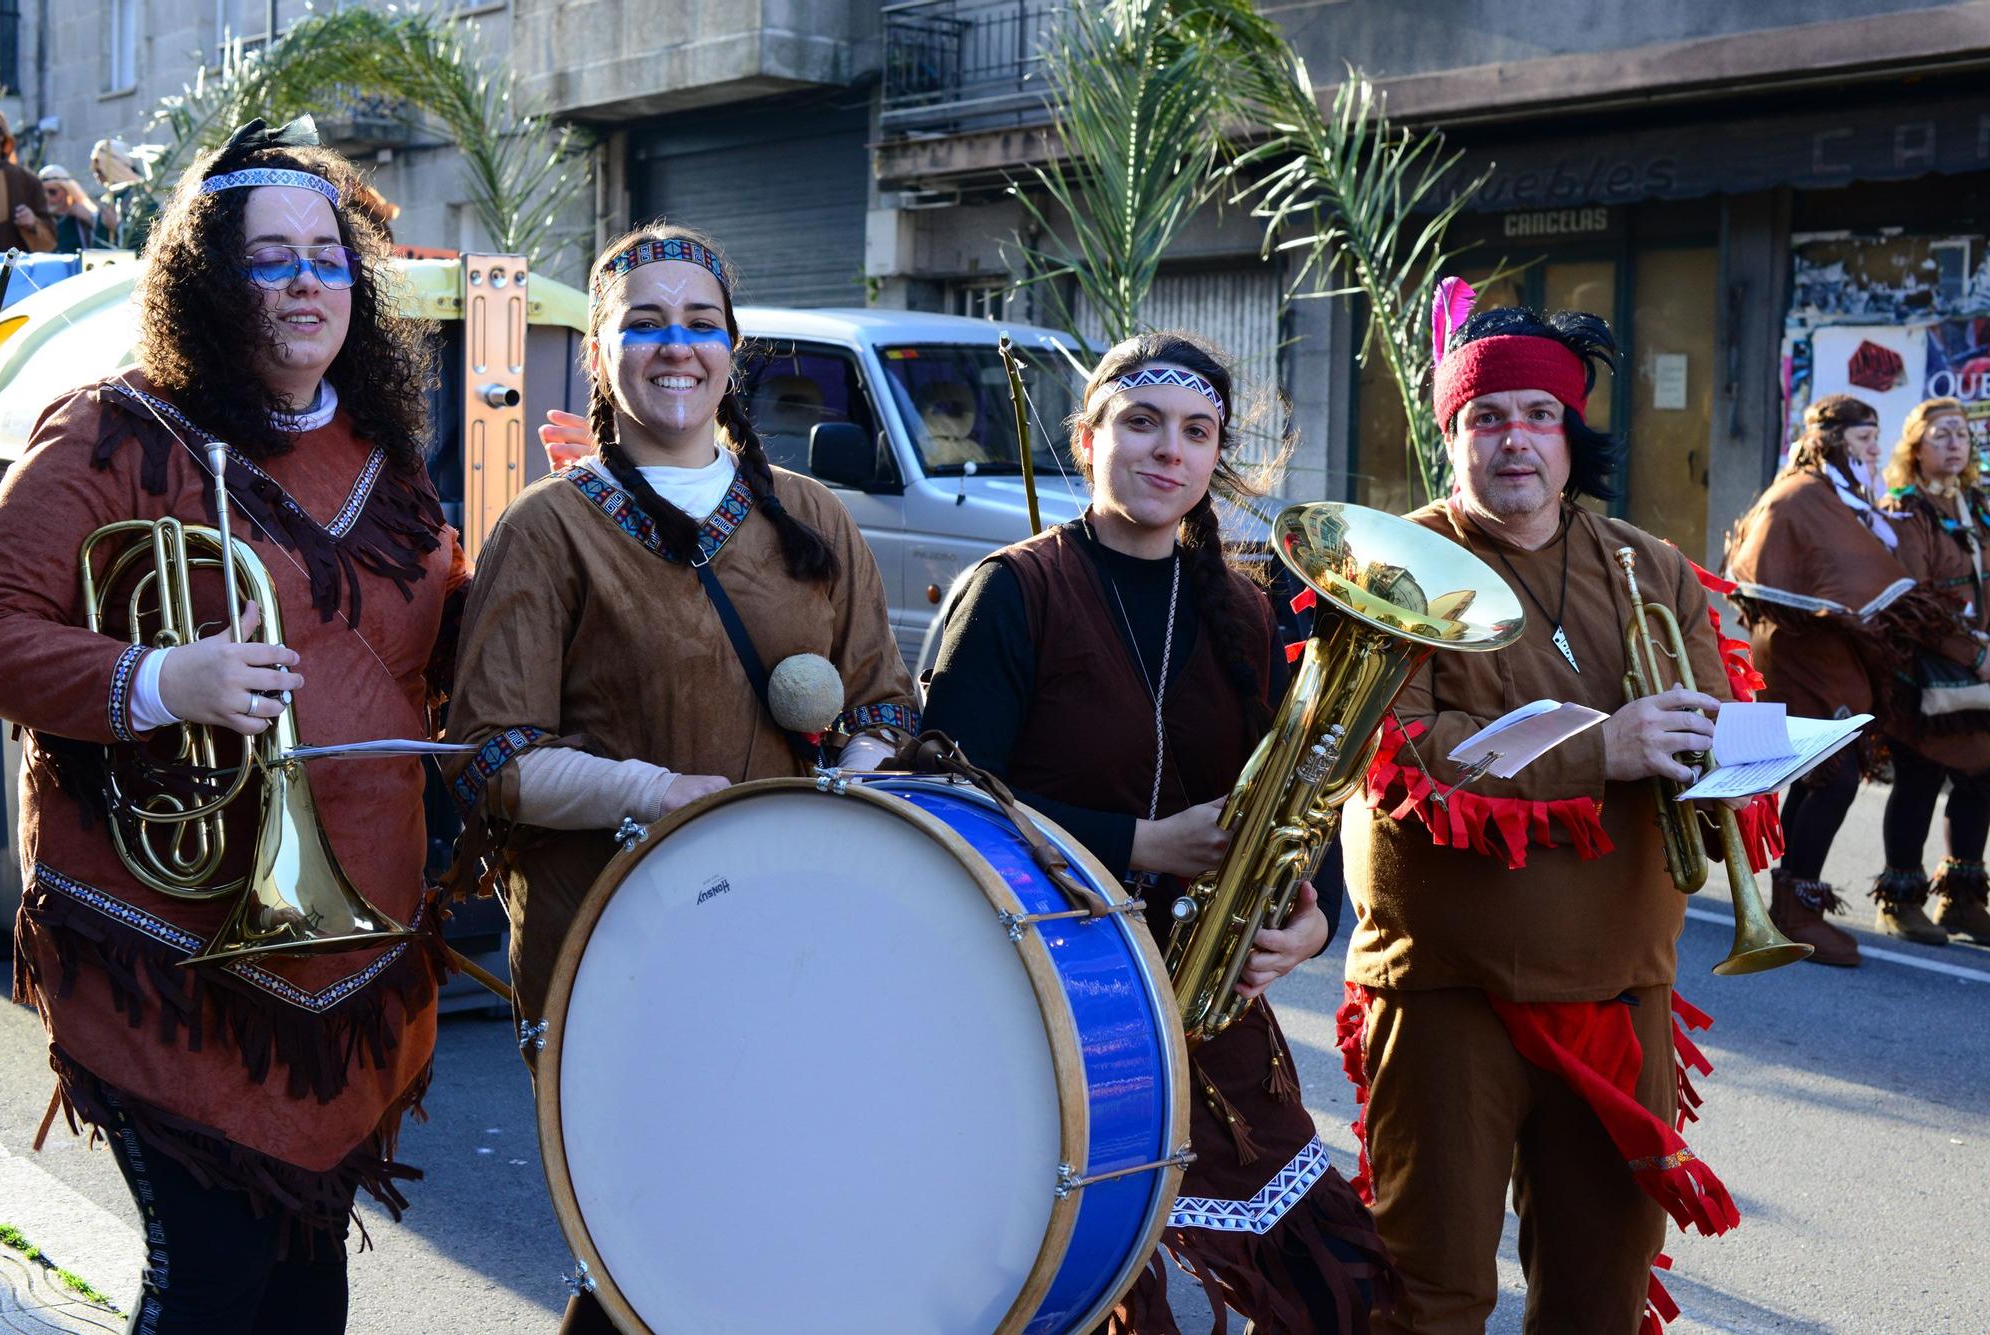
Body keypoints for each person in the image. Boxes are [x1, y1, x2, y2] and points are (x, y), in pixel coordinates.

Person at [0, 117, 465, 1331]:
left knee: (308, 1298)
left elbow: (434, 647)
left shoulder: (386, 460)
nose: (307, 280)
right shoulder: (110, 431)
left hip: (346, 951)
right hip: (169, 951)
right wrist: (159, 682)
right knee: (213, 1286)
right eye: (269, 257)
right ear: (208, 279)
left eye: (329, 254)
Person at [441, 221, 917, 1335]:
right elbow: (493, 759)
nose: (675, 346)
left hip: (791, 926)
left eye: (700, 323)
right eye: (643, 323)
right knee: (650, 1250)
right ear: (602, 352)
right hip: (610, 936)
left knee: (782, 1232)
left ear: (731, 348)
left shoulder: (812, 518)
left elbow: (884, 704)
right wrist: (655, 794)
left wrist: (838, 793)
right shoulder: (546, 529)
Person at [921, 330, 1393, 1335]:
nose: (1164, 450)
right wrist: (1140, 843)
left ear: (1213, 455)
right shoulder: (1012, 590)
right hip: (1042, 990)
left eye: (1193, 431)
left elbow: (1292, 806)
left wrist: (1311, 923)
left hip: (1204, 997)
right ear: (1087, 438)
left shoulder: (1244, 605)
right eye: (1138, 423)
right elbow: (945, 804)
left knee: (1331, 1286)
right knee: (1093, 1299)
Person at [1340, 303, 1771, 1334]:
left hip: (1620, 987)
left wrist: (1745, 762)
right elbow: (1394, 758)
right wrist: (1599, 751)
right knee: (1429, 1292)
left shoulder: (1648, 566)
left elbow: (1708, 718)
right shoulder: (1390, 564)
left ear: (1569, 434)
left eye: (1538, 413)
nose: (1514, 437)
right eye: (1484, 416)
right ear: (1448, 437)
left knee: (1600, 1295)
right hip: (1446, 987)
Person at [1727, 393, 1989, 962]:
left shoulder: (1841, 496)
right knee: (1835, 779)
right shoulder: (1801, 496)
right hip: (1809, 662)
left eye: (1875, 440)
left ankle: (1793, 905)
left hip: (1836, 660)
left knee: (1829, 779)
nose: (1874, 450)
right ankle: (1803, 908)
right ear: (1832, 441)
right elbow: (1795, 577)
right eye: (1865, 440)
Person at [1877, 397, 1990, 944]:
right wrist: (1975, 655)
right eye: (1941, 434)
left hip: (1978, 669)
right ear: (1915, 447)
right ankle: (1899, 901)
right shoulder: (1904, 508)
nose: (1954, 443)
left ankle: (1963, 901)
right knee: (1919, 780)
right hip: (1922, 670)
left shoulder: (1976, 501)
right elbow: (1913, 601)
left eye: (1961, 435)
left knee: (1980, 778)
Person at [0, 106, 58, 252]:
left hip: (12, 271)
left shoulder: (26, 180)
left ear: (2, 136)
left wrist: (33, 223)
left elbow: (50, 240)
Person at [39, 163, 115, 250]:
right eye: (42, 193)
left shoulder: (81, 217)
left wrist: (91, 219)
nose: (46, 198)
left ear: (67, 191)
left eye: (52, 192)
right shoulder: (37, 220)